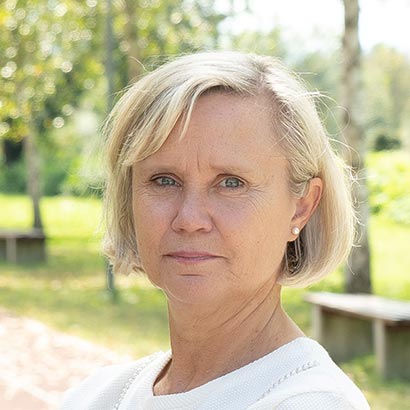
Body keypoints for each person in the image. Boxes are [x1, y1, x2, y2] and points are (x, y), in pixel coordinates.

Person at [61, 51, 370, 410]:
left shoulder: (310, 402)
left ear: (302, 205)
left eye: (231, 183)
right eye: (164, 180)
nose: (189, 218)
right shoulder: (96, 395)